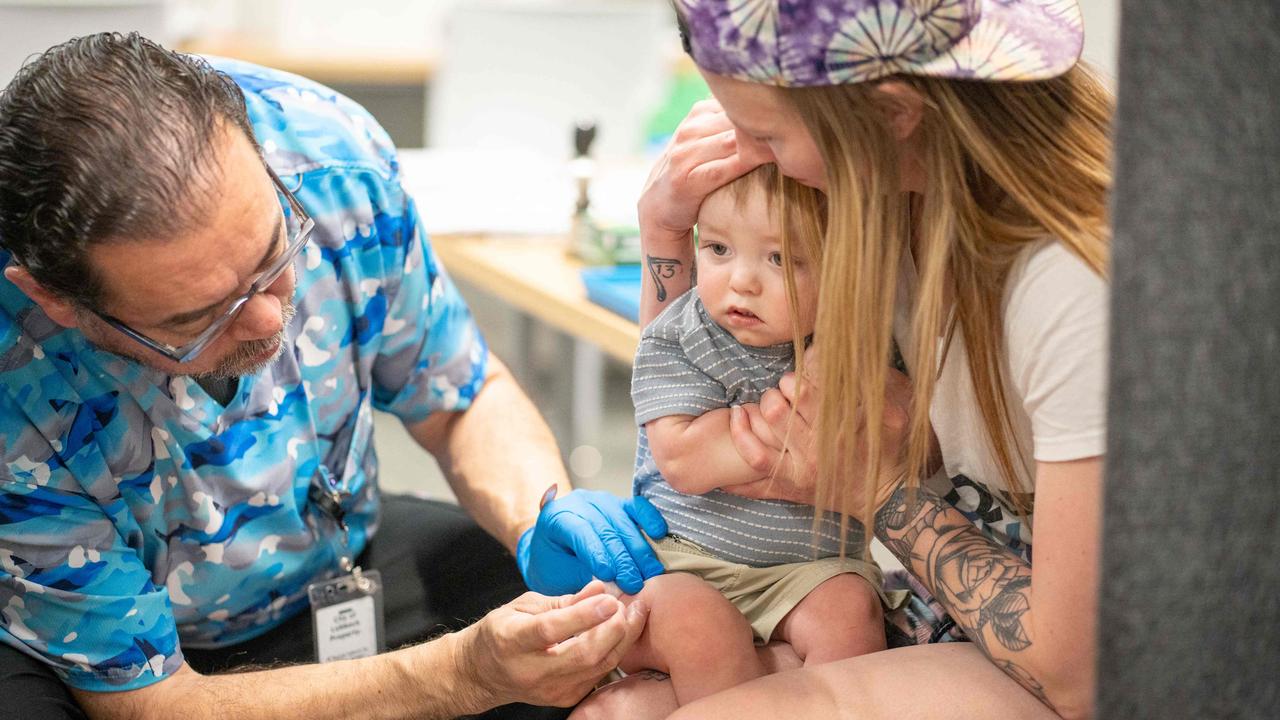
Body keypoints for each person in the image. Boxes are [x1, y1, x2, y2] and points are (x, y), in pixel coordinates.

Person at [0, 33, 671, 720]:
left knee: (593, 632)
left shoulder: (332, 158)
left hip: (333, 564)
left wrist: (538, 519)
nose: (267, 319)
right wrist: (463, 676)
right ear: (56, 299)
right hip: (115, 657)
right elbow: (153, 704)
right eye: (200, 318)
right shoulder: (14, 374)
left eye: (274, 252)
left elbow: (460, 398)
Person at [586, 0, 1111, 718]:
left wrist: (882, 491)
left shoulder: (1071, 282)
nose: (742, 154)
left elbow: (1075, 673)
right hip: (942, 604)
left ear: (894, 116)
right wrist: (666, 228)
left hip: (1068, 656)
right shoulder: (888, 197)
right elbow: (693, 375)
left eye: (762, 131)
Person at [599, 163, 903, 709]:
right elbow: (686, 461)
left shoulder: (861, 344)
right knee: (699, 626)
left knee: (852, 613)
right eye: (718, 250)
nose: (742, 280)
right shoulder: (679, 335)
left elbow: (898, 445)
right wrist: (804, 423)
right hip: (684, 561)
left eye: (780, 258)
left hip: (811, 567)